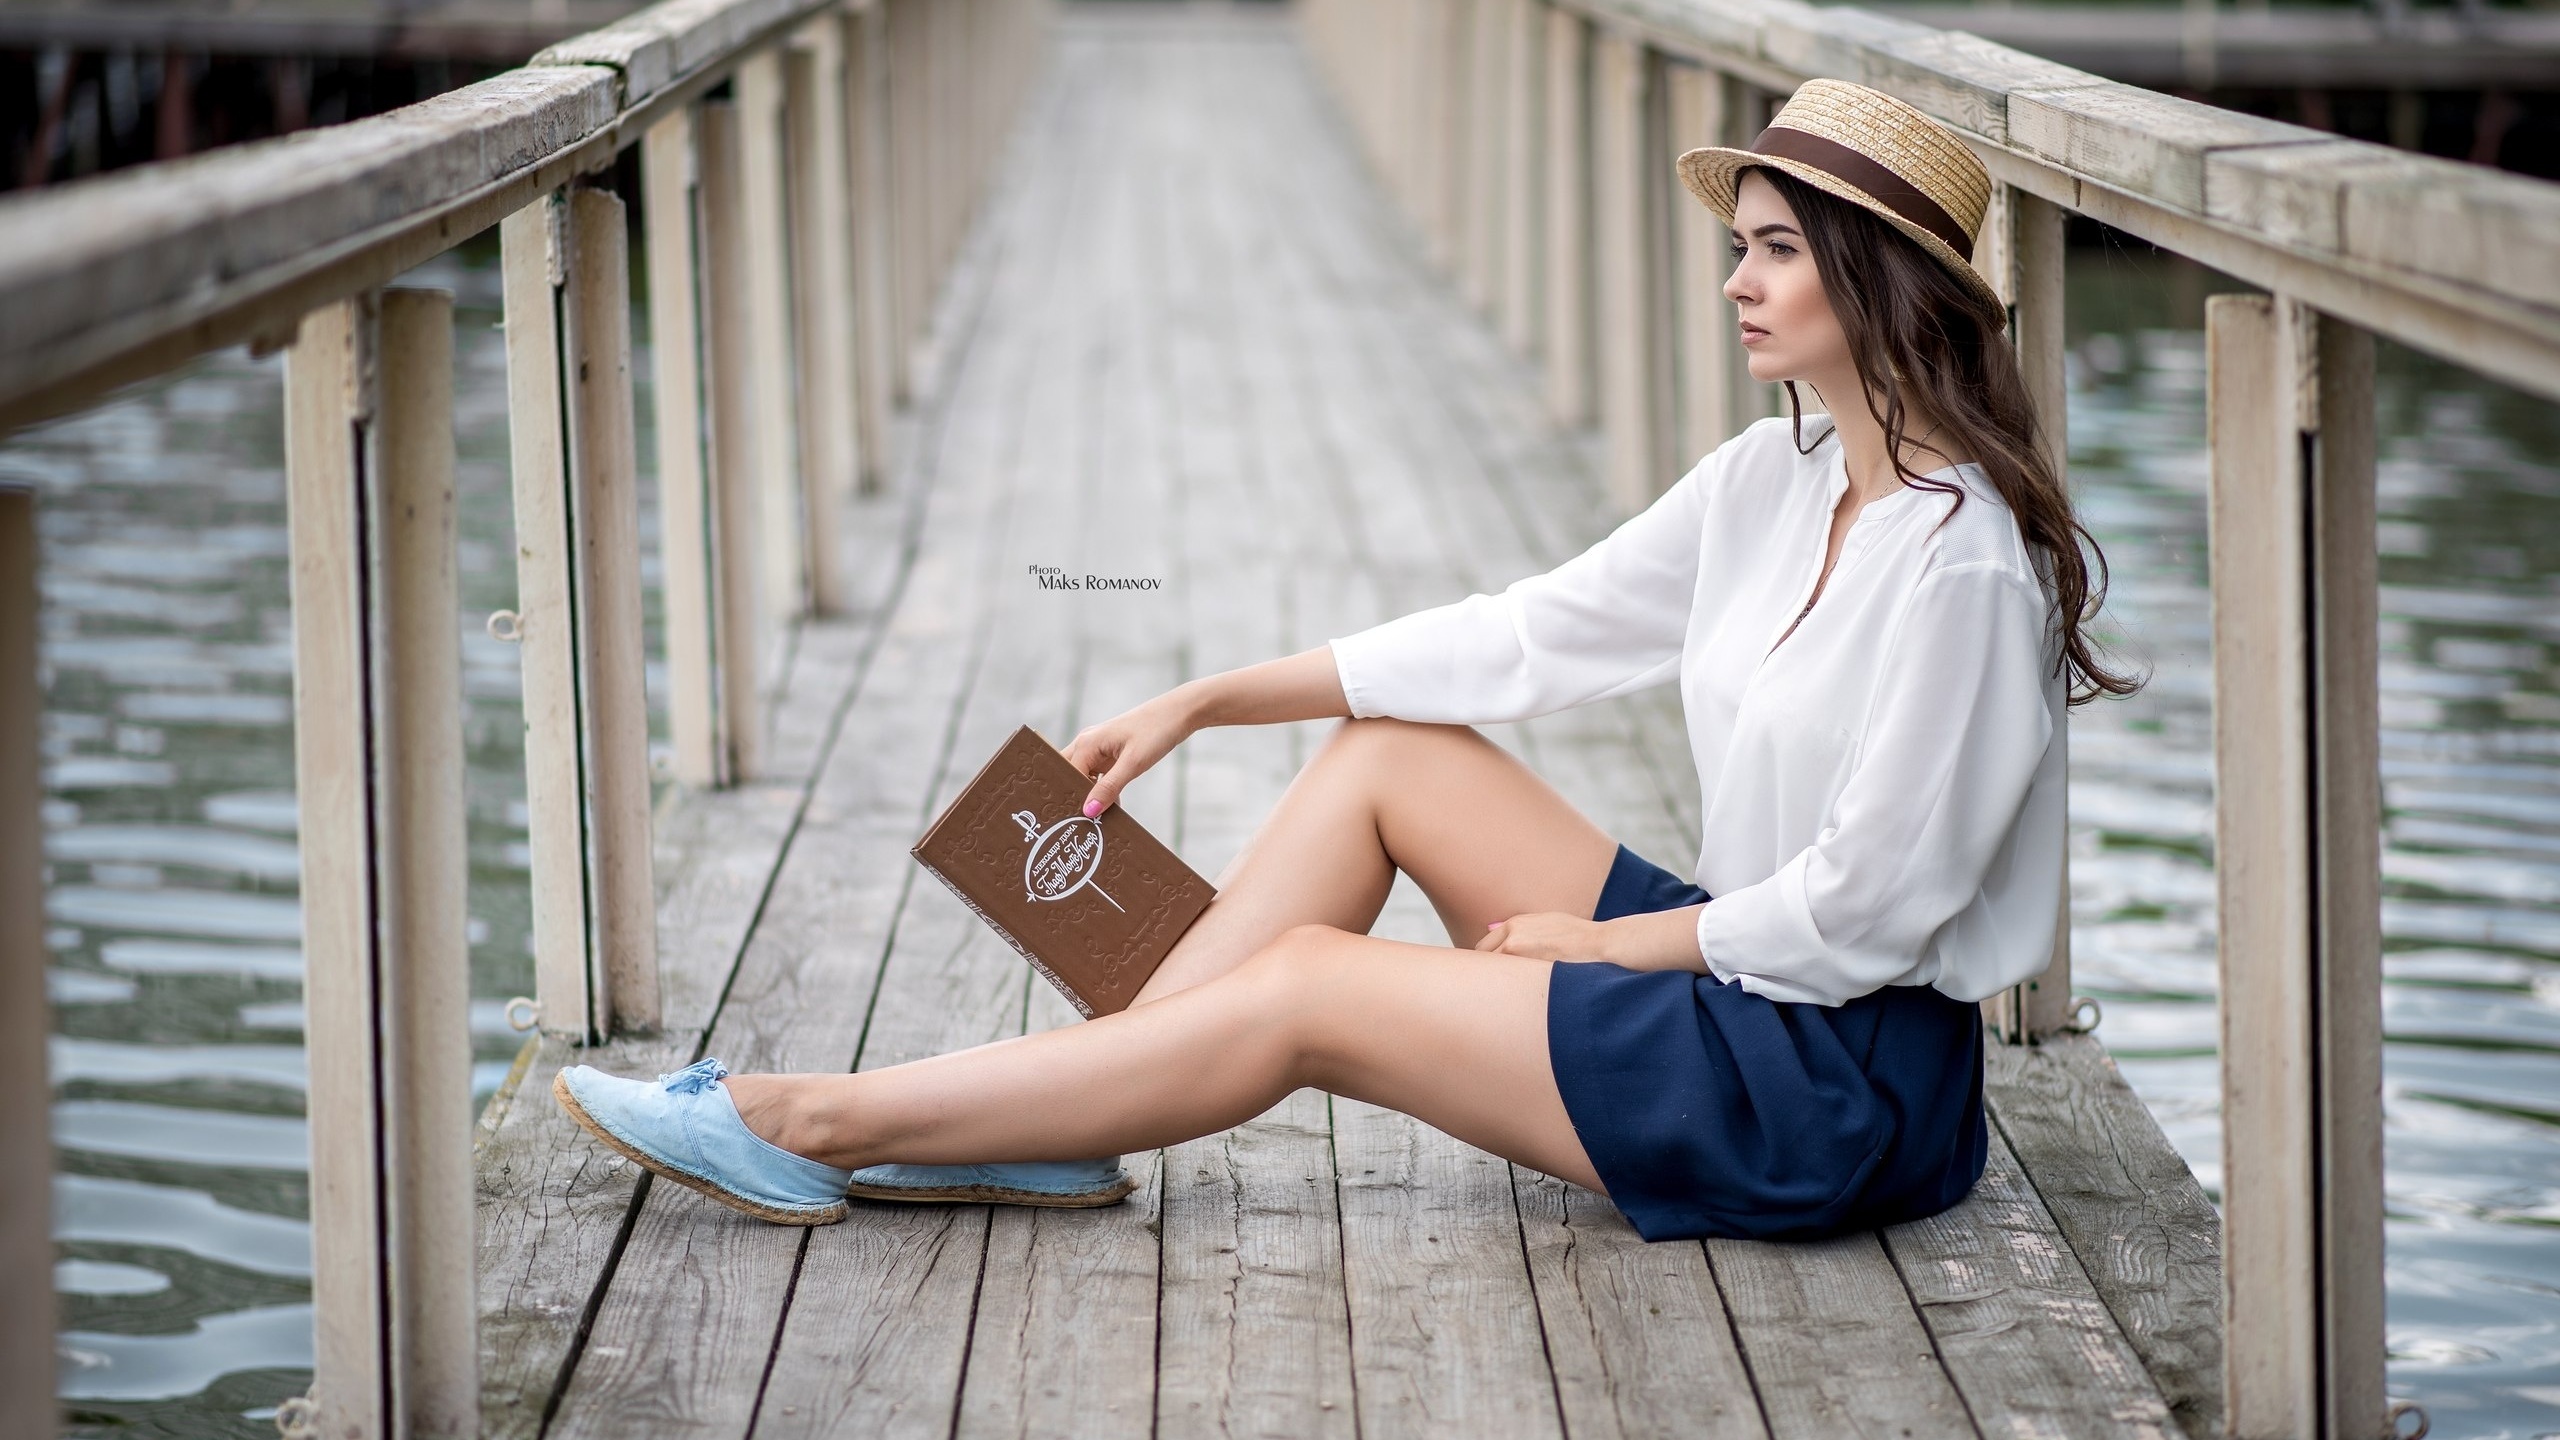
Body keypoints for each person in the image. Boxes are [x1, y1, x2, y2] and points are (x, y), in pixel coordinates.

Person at [553, 78, 2135, 1241]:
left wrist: (1601, 952)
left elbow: (1869, 910)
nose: (1735, 281)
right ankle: (1069, 1106)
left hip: (1836, 1090)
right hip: (1736, 974)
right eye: (1742, 245)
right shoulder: (1776, 481)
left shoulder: (1966, 571)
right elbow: (1523, 634)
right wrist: (1207, 694)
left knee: (1310, 990)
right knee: (1396, 756)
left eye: (1777, 252)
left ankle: (810, 1122)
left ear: (1878, 277)